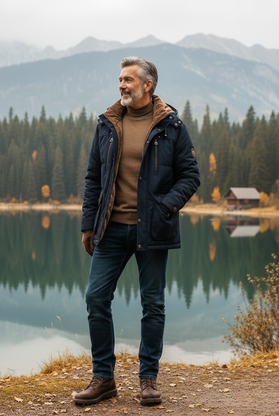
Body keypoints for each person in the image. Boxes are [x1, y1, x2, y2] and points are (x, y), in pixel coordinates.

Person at [74, 56, 200, 406]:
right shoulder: (107, 124)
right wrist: (88, 224)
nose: (121, 85)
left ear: (148, 84)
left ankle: (148, 380)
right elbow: (93, 178)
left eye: (128, 79)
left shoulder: (171, 126)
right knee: (95, 298)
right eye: (119, 79)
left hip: (153, 230)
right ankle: (103, 379)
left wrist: (164, 206)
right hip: (110, 229)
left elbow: (191, 176)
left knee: (153, 304)